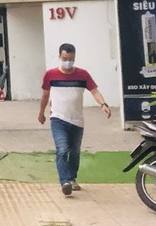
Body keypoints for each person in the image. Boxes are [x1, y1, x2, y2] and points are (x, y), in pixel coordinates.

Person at [38, 43, 111, 195]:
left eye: (71, 59)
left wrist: (103, 104)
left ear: (74, 58)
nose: (68, 62)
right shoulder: (50, 75)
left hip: (77, 121)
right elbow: (45, 95)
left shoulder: (83, 75)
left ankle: (72, 178)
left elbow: (94, 91)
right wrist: (41, 113)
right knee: (62, 150)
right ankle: (64, 181)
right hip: (58, 119)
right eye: (65, 58)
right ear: (59, 56)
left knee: (75, 152)